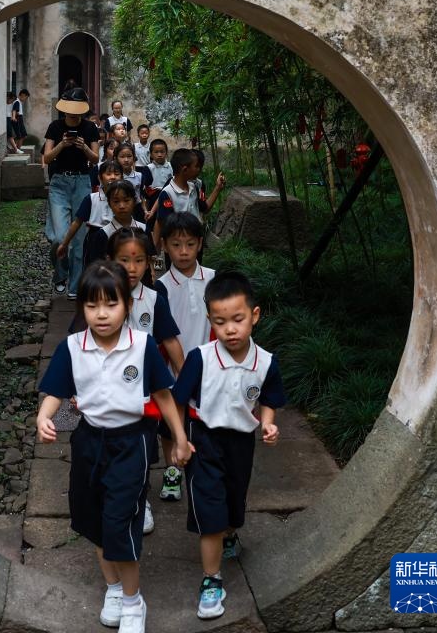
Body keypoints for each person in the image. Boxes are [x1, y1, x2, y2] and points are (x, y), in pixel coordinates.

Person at [37, 260, 193, 633]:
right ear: (82, 308)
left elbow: (163, 394)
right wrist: (44, 416)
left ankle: (134, 601)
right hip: (89, 441)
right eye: (92, 305)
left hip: (131, 441)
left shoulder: (142, 346)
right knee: (94, 520)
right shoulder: (73, 347)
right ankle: (113, 588)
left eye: (111, 304)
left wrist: (180, 437)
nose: (102, 314)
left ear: (127, 304)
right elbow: (56, 390)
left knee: (120, 521)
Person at [172, 271, 285, 619]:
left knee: (234, 503)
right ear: (210, 321)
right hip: (203, 439)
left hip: (240, 442)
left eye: (237, 319)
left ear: (254, 315)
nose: (230, 330)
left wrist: (268, 423)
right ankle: (212, 579)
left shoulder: (266, 362)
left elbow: (269, 399)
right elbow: (177, 401)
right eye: (220, 322)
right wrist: (180, 439)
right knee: (210, 512)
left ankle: (230, 533)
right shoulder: (200, 358)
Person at [109, 227, 185, 537]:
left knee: (142, 447)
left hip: (144, 391)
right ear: (110, 260)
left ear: (149, 263)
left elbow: (170, 340)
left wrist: (185, 379)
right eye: (124, 260)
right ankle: (116, 494)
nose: (131, 268)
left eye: (139, 260)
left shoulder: (154, 300)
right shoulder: (100, 297)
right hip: (108, 388)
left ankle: (141, 501)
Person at [154, 212, 215, 504]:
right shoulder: (161, 287)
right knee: (170, 424)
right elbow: (165, 334)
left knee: (205, 422)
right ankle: (172, 470)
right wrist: (179, 369)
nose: (183, 252)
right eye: (176, 245)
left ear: (200, 244)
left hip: (210, 368)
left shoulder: (213, 280)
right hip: (173, 370)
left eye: (190, 244)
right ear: (165, 245)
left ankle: (206, 470)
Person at [43, 88, 99, 299]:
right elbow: (47, 158)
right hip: (59, 183)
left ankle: (75, 286)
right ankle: (60, 275)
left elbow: (95, 159)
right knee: (59, 238)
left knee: (79, 239)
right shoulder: (55, 127)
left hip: (82, 182)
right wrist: (62, 145)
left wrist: (84, 147)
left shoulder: (90, 128)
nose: (73, 114)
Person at [152, 148, 226, 253]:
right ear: (185, 169)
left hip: (195, 240)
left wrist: (217, 188)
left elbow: (204, 208)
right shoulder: (168, 192)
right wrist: (156, 248)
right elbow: (162, 222)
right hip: (177, 244)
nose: (199, 170)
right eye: (197, 166)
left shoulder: (194, 187)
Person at [56, 160, 123, 270]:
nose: (113, 177)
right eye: (108, 174)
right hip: (95, 239)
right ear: (100, 178)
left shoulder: (125, 200)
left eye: (116, 174)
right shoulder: (91, 199)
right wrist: (64, 244)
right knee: (93, 270)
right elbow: (77, 222)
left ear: (122, 178)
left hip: (118, 238)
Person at [114, 143, 151, 220]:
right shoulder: (114, 177)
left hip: (137, 210)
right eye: (122, 157)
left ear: (134, 158)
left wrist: (145, 210)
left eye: (129, 156)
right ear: (116, 158)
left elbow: (141, 196)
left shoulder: (139, 176)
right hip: (120, 208)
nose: (126, 160)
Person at [144, 138, 173, 221]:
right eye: (156, 152)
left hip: (170, 197)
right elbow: (147, 187)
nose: (159, 154)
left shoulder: (171, 166)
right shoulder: (149, 168)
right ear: (151, 154)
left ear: (166, 153)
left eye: (162, 152)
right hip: (154, 198)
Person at [12, 88, 30, 154]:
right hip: (18, 119)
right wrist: (15, 116)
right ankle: (17, 149)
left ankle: (17, 148)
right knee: (20, 136)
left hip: (20, 119)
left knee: (23, 135)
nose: (26, 99)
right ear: (22, 95)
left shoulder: (19, 102)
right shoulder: (17, 102)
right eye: (26, 97)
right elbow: (14, 110)